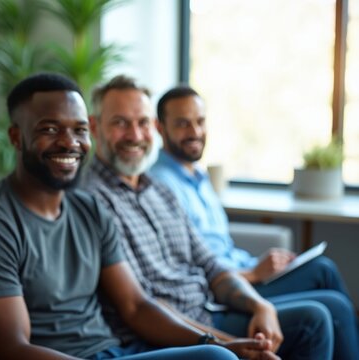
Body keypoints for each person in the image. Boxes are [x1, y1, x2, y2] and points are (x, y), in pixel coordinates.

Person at [0, 72, 270, 360]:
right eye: (50, 129)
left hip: (119, 351)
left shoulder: (88, 209)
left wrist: (215, 342)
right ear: (16, 137)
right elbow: (11, 348)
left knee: (222, 354)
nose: (69, 142)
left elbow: (136, 306)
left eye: (79, 130)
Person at [82, 74, 336, 359]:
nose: (135, 135)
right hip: (172, 332)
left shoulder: (159, 190)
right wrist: (224, 343)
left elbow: (211, 265)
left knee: (319, 313)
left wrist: (259, 306)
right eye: (120, 123)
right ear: (94, 126)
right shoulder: (92, 200)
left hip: (207, 311)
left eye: (141, 123)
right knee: (313, 321)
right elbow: (143, 305)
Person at [150, 85, 359, 358]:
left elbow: (219, 249)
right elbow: (187, 273)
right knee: (334, 305)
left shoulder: (197, 177)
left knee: (322, 269)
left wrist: (256, 264)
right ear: (159, 127)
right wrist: (254, 274)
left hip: (241, 274)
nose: (195, 131)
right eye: (182, 124)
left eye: (200, 122)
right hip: (223, 294)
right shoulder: (162, 187)